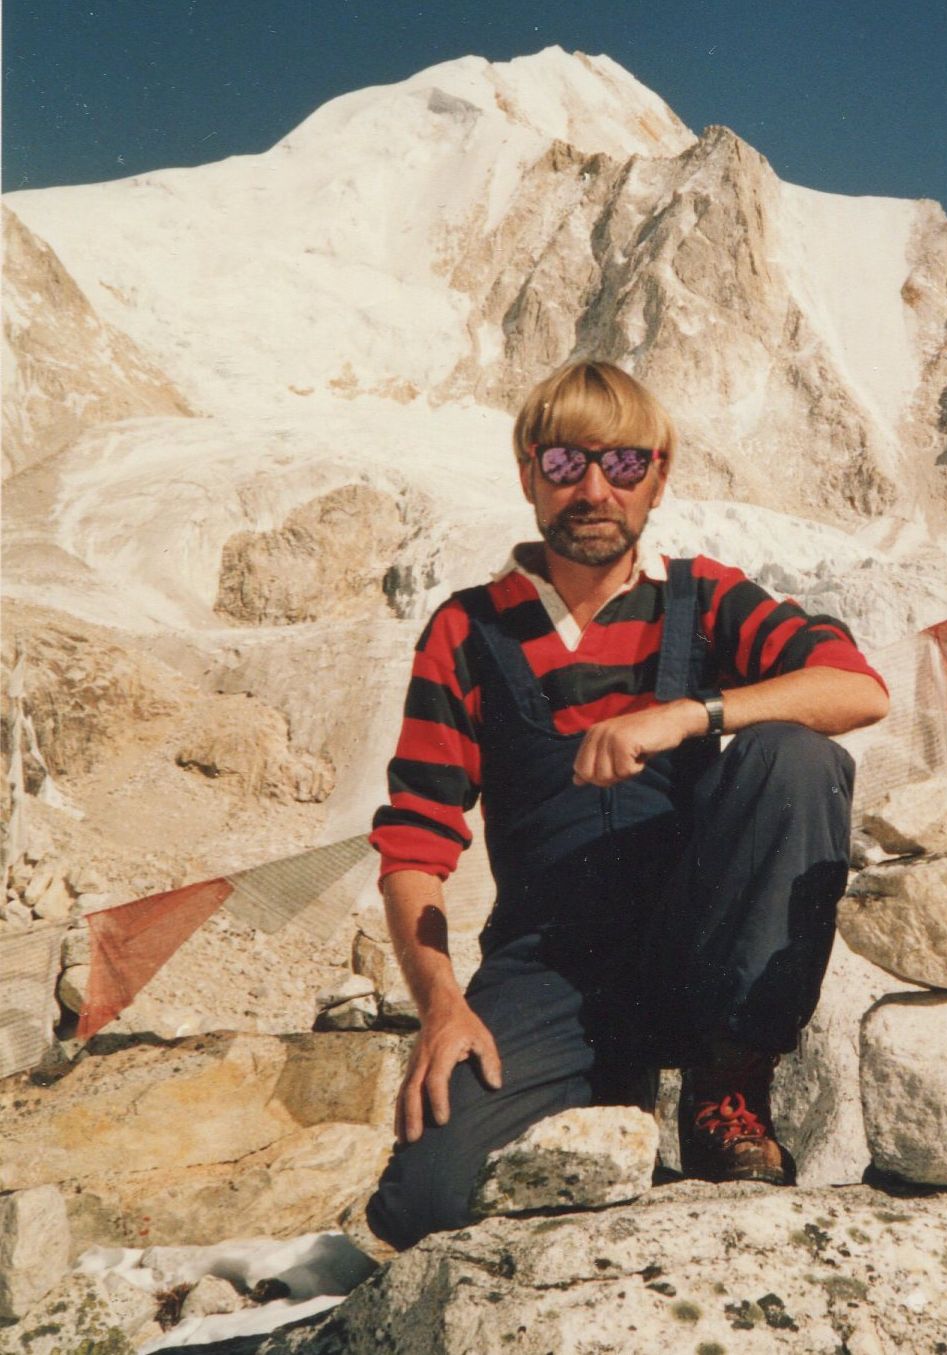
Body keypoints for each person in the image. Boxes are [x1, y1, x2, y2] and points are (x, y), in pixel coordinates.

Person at [362, 360, 888, 1250]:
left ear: (660, 476)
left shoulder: (704, 597)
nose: (595, 490)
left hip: (696, 935)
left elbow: (854, 688)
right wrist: (442, 1005)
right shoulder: (468, 629)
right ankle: (607, 1084)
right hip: (547, 961)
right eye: (566, 464)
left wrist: (692, 712)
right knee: (426, 1202)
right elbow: (416, 840)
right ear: (530, 474)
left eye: (625, 465)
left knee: (791, 756)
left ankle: (729, 1080)